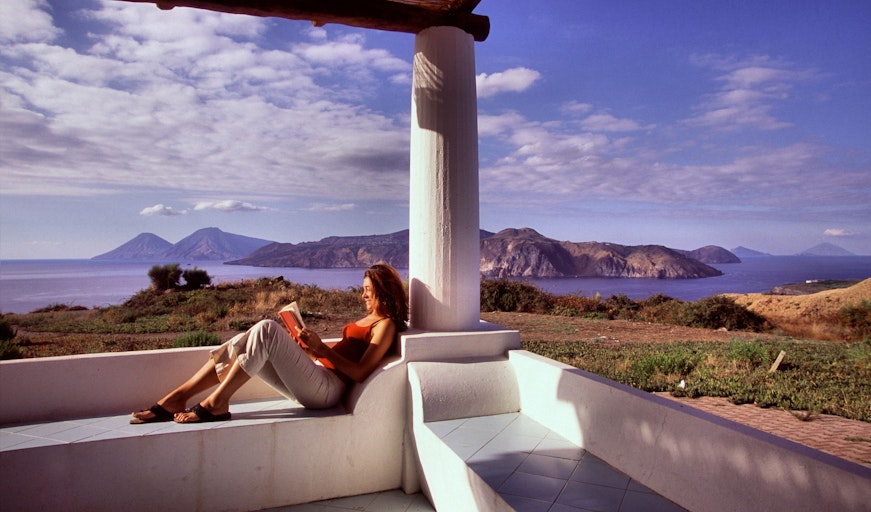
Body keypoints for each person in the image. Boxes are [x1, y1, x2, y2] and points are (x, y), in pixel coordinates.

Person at [131, 263, 408, 424]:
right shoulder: (370, 318)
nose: (363, 296)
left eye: (368, 290)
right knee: (243, 340)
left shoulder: (385, 324)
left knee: (265, 329)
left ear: (383, 291)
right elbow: (336, 359)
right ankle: (178, 397)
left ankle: (217, 402)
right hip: (319, 379)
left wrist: (322, 349)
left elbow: (360, 371)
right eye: (363, 290)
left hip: (327, 392)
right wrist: (309, 349)